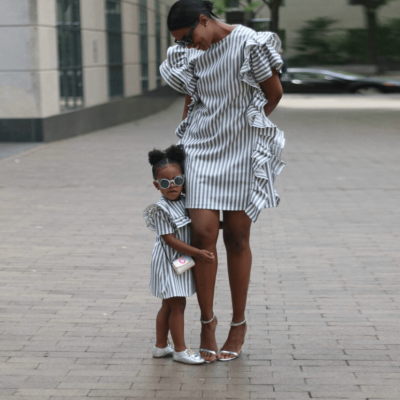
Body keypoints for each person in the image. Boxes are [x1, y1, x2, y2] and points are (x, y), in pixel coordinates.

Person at [160, 0, 285, 363]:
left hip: (241, 151)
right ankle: (207, 322)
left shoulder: (250, 44)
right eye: (180, 42)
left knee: (237, 237)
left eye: (188, 37)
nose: (187, 46)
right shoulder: (191, 54)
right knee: (202, 234)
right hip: (200, 149)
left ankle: (238, 324)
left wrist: (248, 127)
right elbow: (191, 98)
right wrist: (180, 146)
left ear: (204, 20)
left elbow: (273, 93)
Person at [143, 144, 215, 365]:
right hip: (168, 261)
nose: (172, 186)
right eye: (165, 183)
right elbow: (170, 240)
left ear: (184, 178)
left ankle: (160, 346)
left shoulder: (185, 201)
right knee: (177, 305)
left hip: (180, 261)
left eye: (177, 180)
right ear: (157, 185)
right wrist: (198, 253)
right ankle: (180, 351)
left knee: (167, 305)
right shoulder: (161, 209)